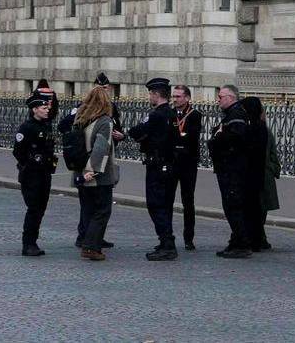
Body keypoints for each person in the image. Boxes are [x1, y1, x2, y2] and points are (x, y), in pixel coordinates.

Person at [123, 77, 180, 260]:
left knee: (156, 204)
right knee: (165, 205)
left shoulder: (157, 114)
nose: (149, 97)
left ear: (156, 94)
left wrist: (135, 135)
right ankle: (166, 241)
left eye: (150, 93)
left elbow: (138, 131)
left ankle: (167, 244)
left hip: (157, 165)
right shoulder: (171, 113)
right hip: (169, 165)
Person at [208, 85, 255, 257]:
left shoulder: (236, 115)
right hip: (228, 167)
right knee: (231, 206)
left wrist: (217, 138)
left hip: (233, 168)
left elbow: (234, 139)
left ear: (230, 97)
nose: (218, 100)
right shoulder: (231, 115)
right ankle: (236, 241)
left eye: (220, 96)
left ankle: (242, 244)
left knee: (233, 206)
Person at [74, 85, 119, 261]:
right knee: (102, 211)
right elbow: (101, 148)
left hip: (80, 171)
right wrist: (91, 171)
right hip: (97, 176)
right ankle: (91, 247)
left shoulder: (80, 118)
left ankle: (86, 240)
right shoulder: (104, 121)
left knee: (87, 209)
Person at [12, 94, 58, 257]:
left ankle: (33, 241)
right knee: (34, 208)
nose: (47, 110)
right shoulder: (27, 127)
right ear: (35, 110)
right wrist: (30, 164)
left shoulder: (46, 125)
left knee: (41, 208)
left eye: (48, 108)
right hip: (31, 175)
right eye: (44, 108)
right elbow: (18, 151)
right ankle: (28, 244)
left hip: (45, 172)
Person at [169, 85, 203, 250]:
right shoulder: (169, 113)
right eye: (174, 96)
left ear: (187, 98)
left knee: (188, 201)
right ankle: (167, 237)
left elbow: (191, 136)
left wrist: (177, 137)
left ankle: (189, 238)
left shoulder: (195, 115)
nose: (175, 99)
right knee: (167, 199)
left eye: (178, 96)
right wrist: (179, 136)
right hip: (172, 162)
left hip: (188, 163)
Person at [247, 96, 279, 252]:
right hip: (261, 174)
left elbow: (272, 153)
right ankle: (260, 238)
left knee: (259, 208)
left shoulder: (262, 129)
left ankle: (257, 238)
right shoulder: (258, 128)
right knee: (258, 208)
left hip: (262, 175)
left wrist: (272, 168)